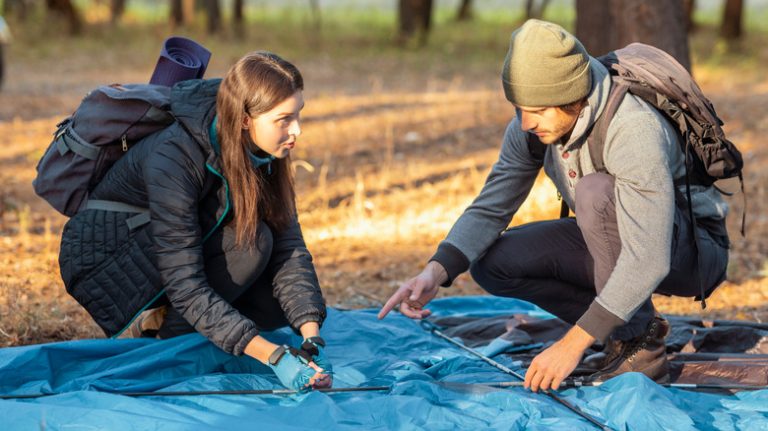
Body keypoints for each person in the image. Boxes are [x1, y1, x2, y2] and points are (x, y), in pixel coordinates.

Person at [378, 20, 729, 392]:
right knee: (494, 263)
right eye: (519, 108)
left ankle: (639, 347)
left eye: (539, 110)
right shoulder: (531, 126)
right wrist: (435, 271)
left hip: (690, 251)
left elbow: (649, 257)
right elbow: (491, 206)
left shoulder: (632, 127)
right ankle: (623, 329)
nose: (527, 122)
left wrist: (571, 344)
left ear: (574, 96)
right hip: (616, 238)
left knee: (595, 192)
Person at [58, 51, 332, 392]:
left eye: (298, 115)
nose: (297, 130)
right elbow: (185, 283)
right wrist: (273, 356)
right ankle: (165, 338)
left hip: (170, 246)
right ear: (246, 119)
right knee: (251, 246)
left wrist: (311, 338)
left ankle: (190, 325)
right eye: (284, 119)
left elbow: (290, 248)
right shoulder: (175, 154)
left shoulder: (266, 153)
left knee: (275, 304)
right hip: (108, 258)